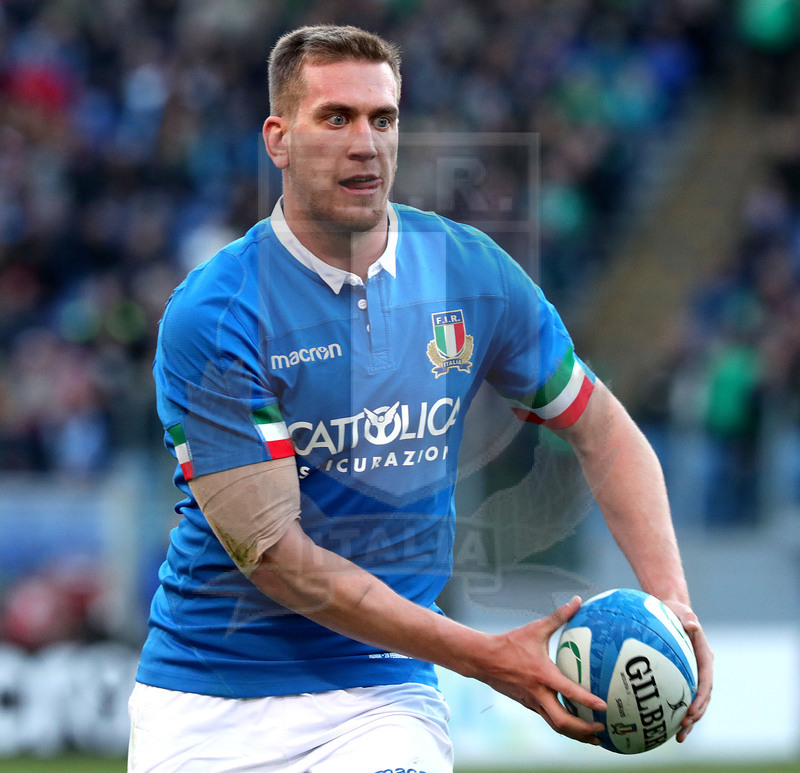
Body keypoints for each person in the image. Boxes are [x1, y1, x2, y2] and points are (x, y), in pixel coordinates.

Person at [128, 24, 712, 773]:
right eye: (335, 117)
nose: (365, 142)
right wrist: (484, 655)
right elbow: (278, 560)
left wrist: (673, 601)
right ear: (278, 138)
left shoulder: (470, 273)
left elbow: (603, 428)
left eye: (384, 118)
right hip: (209, 701)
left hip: (382, 693)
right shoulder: (215, 315)